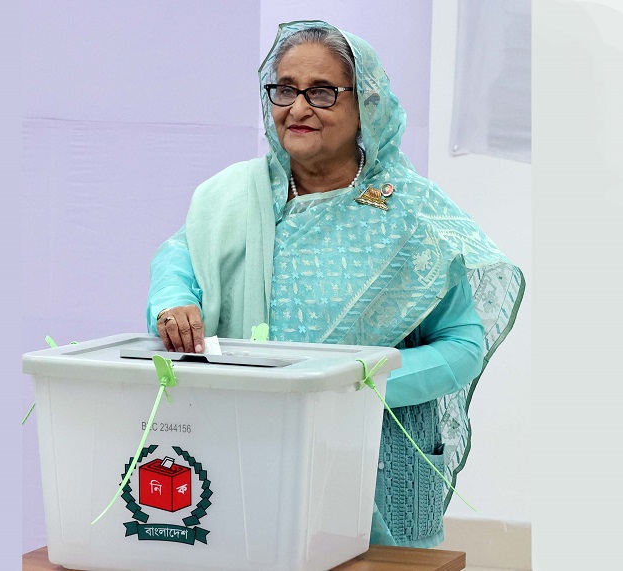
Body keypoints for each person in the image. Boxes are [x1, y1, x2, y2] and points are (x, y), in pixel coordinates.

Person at [146, 20, 524, 548]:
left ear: (365, 105)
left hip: (378, 457)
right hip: (252, 450)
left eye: (321, 92)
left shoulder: (413, 215)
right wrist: (176, 302)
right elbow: (179, 258)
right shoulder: (235, 199)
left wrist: (356, 382)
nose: (297, 109)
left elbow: (462, 345)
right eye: (284, 89)